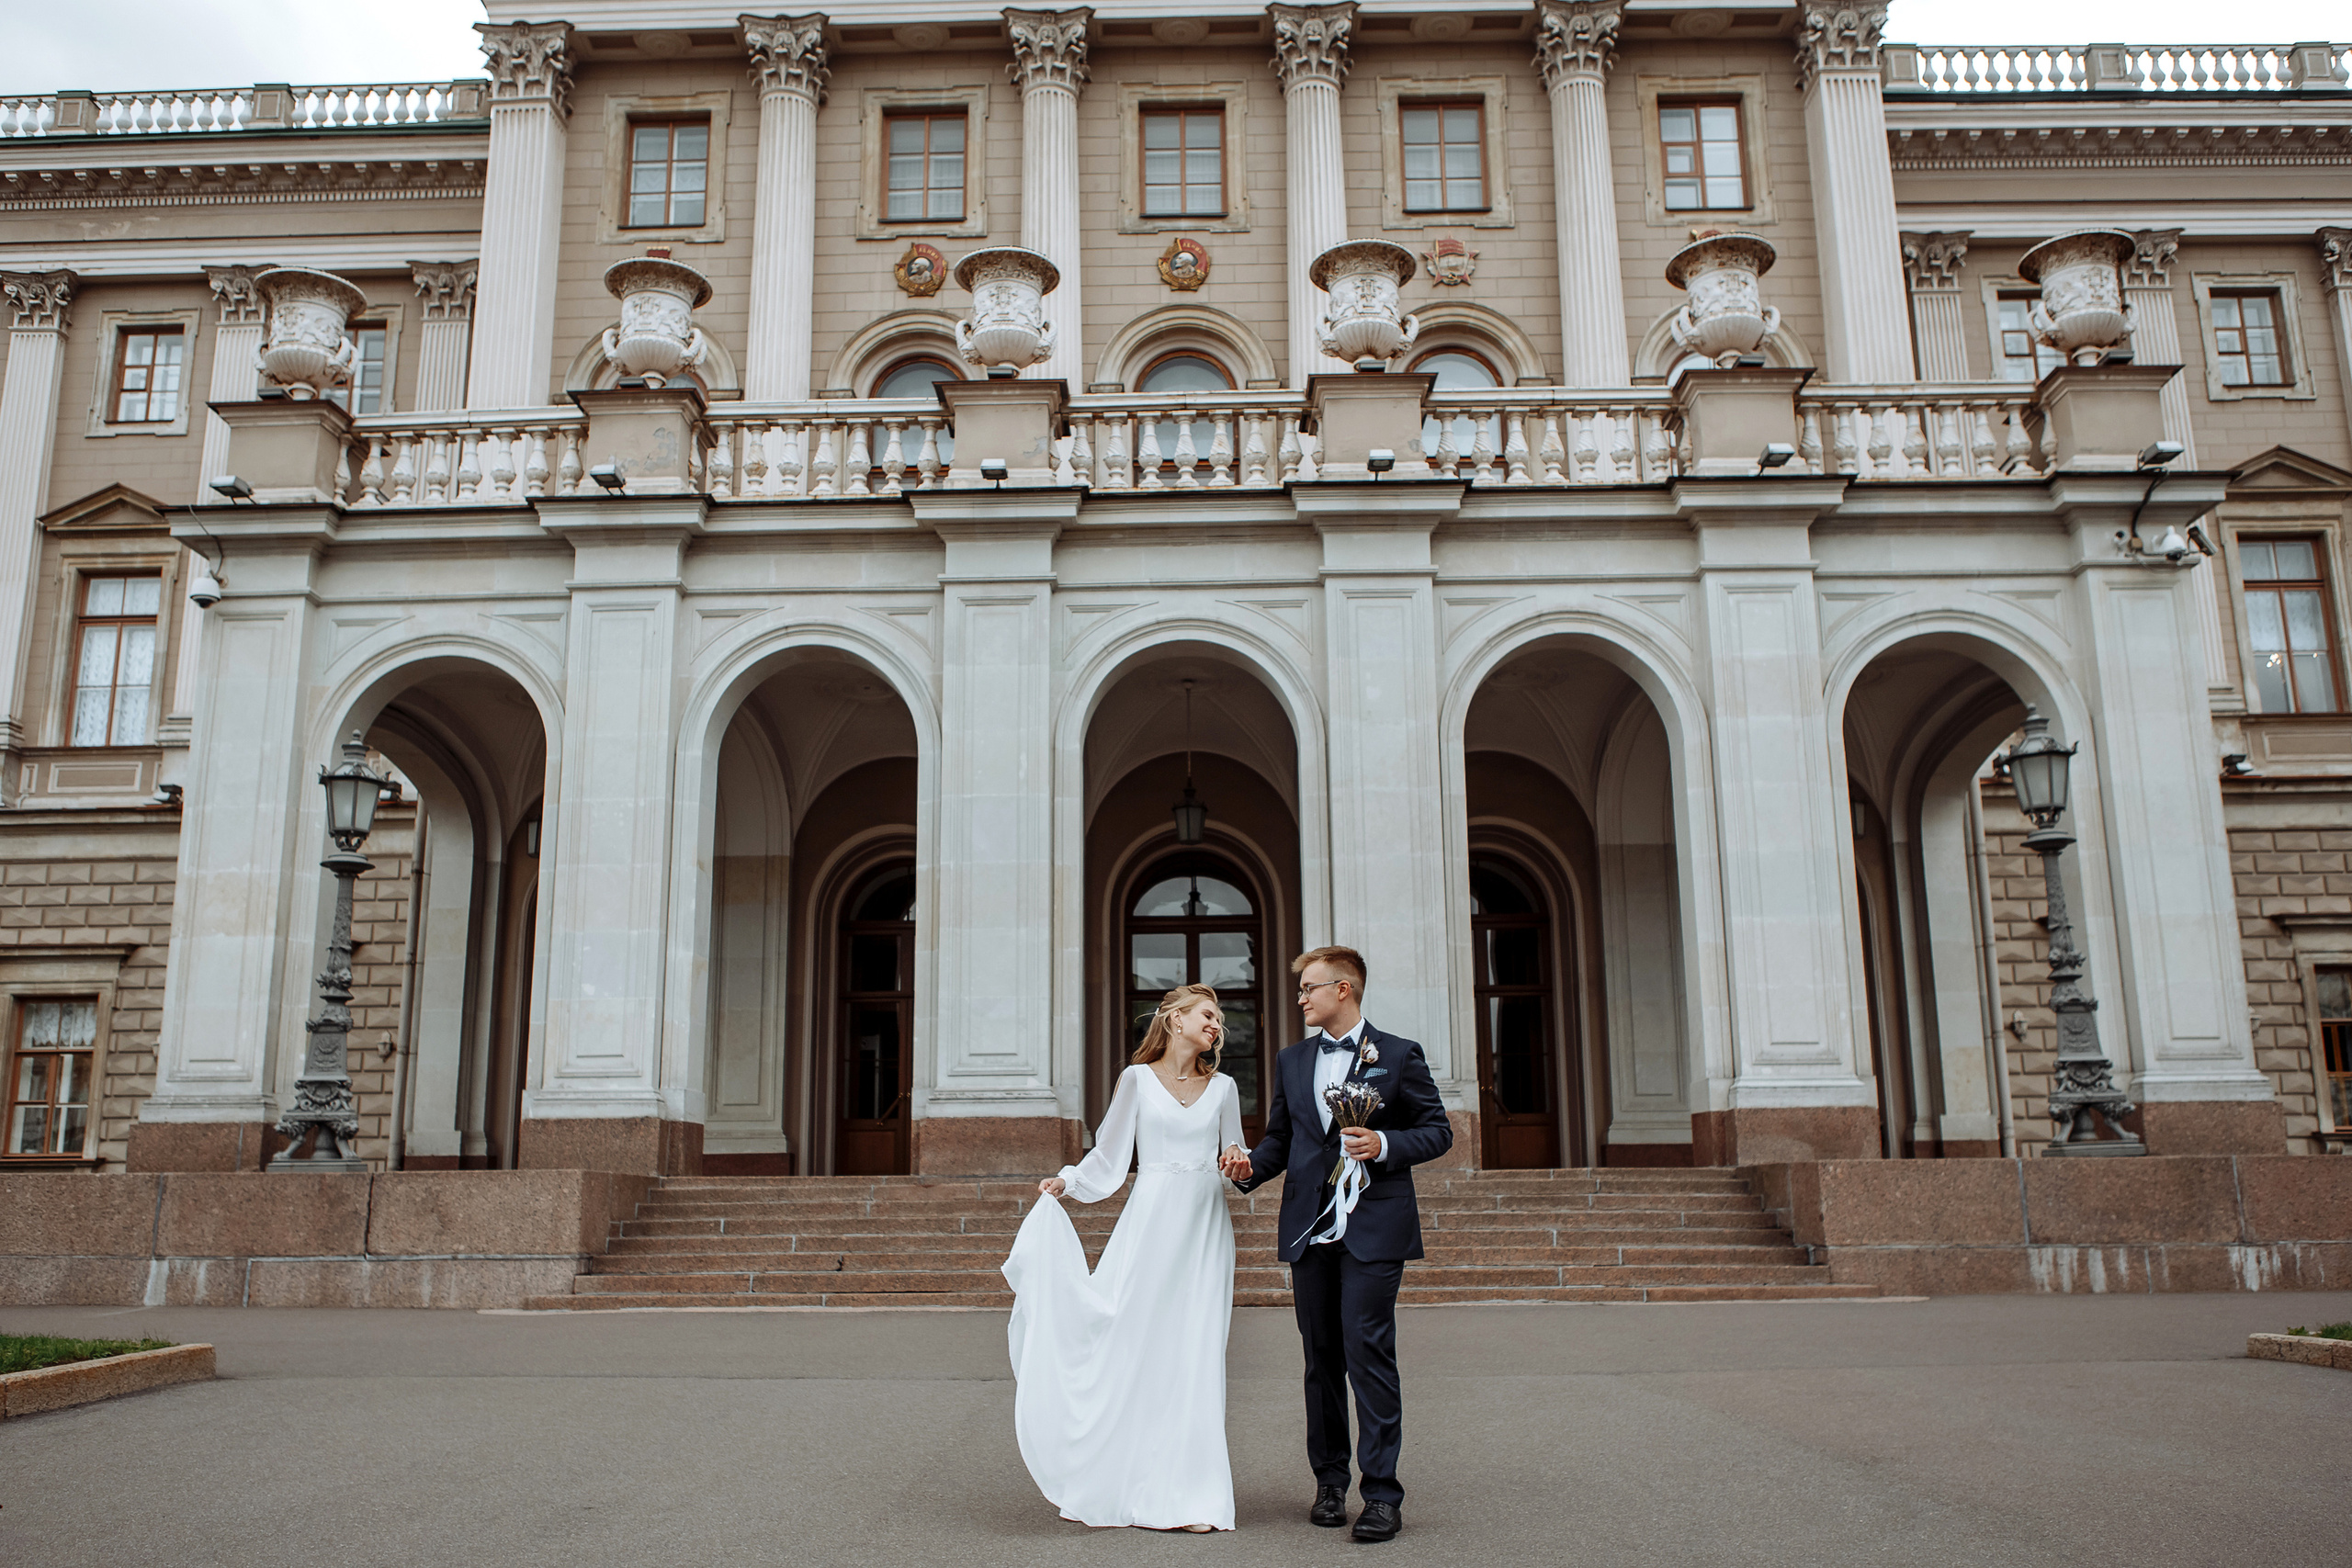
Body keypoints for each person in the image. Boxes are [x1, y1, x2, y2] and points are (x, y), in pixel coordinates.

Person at [1220, 945, 1452, 1544]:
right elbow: (1280, 1139)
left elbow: (1437, 1130)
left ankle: (1381, 1494)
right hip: (1308, 1225)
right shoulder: (1293, 1060)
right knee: (1321, 1358)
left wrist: (1386, 1143)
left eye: (1308, 987)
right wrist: (1246, 1167)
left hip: (1373, 1225)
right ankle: (1329, 1482)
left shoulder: (1398, 1055)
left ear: (1343, 989)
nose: (1300, 997)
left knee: (1368, 1351)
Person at [1001, 982, 1249, 1532]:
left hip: (1206, 1226)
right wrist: (1068, 1182)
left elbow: (1237, 1153)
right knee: (1133, 1339)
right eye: (1206, 1015)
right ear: (1175, 1019)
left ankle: (1191, 1497)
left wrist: (1236, 1157)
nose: (1216, 1026)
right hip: (1152, 1221)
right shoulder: (1137, 1079)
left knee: (1195, 1353)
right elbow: (1109, 1156)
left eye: (1220, 1020)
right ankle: (1115, 1477)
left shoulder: (1225, 1087)